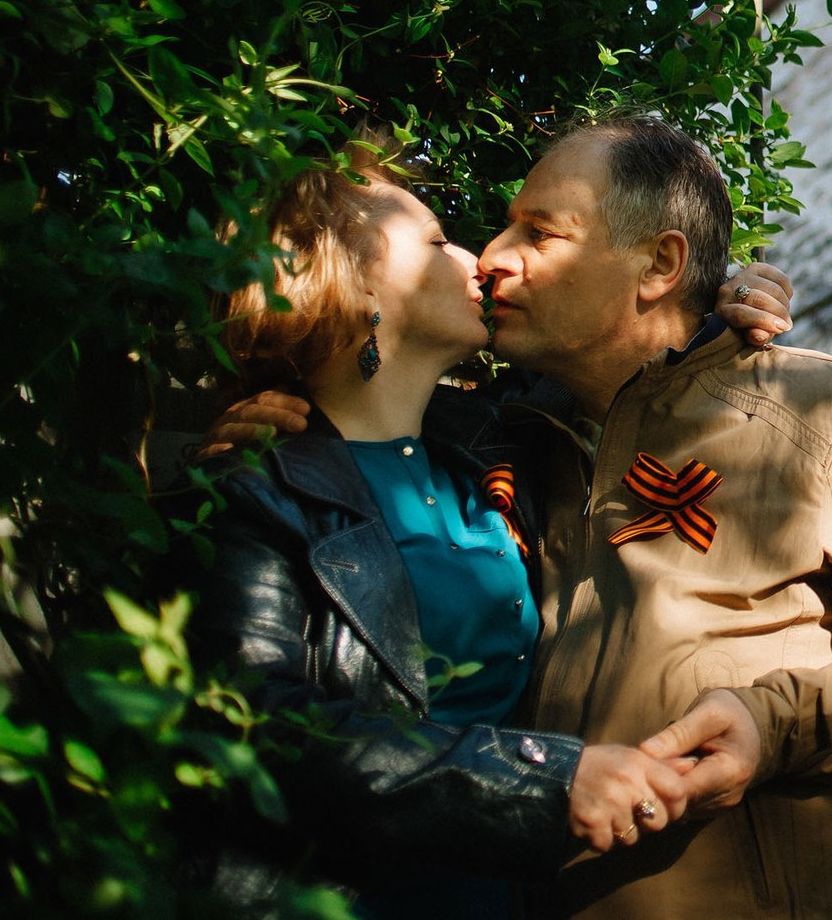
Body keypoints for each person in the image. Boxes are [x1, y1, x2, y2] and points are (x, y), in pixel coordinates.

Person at [218, 114, 832, 920]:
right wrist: (280, 432)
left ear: (659, 263)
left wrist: (768, 722)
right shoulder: (507, 441)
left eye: (540, 231)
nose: (494, 255)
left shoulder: (822, 414)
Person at [193, 146, 700, 919]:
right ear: (355, 278)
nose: (481, 257)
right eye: (435, 240)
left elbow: (632, 352)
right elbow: (261, 727)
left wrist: (719, 303)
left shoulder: (499, 449)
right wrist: (544, 779)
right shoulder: (258, 489)